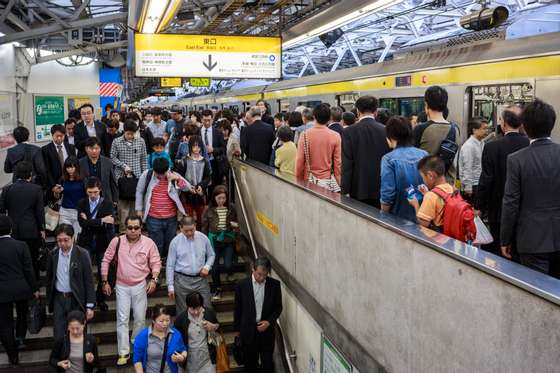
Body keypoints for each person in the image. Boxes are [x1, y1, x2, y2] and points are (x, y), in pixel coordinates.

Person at [500, 99, 560, 277]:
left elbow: (511, 203)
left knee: (538, 291)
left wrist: (505, 239)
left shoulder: (516, 160)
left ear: (524, 126)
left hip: (531, 239)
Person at [101, 215, 161, 366]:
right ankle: (123, 352)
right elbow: (106, 260)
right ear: (125, 228)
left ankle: (136, 340)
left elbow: (156, 262)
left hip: (140, 284)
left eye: (136, 228)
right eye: (130, 228)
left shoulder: (149, 243)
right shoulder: (117, 241)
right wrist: (104, 281)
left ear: (141, 228)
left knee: (140, 318)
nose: (133, 230)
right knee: (122, 319)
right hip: (121, 285)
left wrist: (154, 280)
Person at [476, 108, 529, 256]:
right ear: (521, 124)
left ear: (503, 124)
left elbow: (486, 179)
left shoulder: (492, 147)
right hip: (524, 211)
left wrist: (479, 206)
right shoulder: (529, 145)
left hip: (498, 209)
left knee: (498, 251)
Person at [136, 157, 193, 258]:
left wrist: (177, 179)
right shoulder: (147, 175)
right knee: (156, 244)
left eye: (163, 173)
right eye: (158, 173)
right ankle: (156, 264)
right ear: (154, 170)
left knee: (170, 243)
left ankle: (168, 264)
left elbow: (188, 188)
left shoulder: (174, 175)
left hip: (171, 218)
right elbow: (139, 191)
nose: (161, 176)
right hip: (153, 218)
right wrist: (139, 209)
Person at [0, 215, 38, 366]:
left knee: (5, 324)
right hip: (21, 288)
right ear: (11, 228)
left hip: (1, 291)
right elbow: (29, 269)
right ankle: (21, 337)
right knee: (22, 314)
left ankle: (13, 355)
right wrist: (34, 288)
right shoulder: (21, 245)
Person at [46, 224, 95, 340]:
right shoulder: (53, 255)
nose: (62, 243)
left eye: (65, 240)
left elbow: (89, 281)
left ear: (72, 238)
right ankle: (61, 357)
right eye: (59, 240)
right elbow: (49, 278)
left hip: (76, 298)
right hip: (59, 298)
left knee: (77, 333)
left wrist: (90, 305)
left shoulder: (82, 254)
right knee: (58, 334)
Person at [234, 257, 283, 373]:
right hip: (248, 331)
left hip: (266, 332)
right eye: (259, 274)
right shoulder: (242, 285)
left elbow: (278, 307)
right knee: (250, 365)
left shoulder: (275, 285)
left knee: (267, 364)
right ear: (253, 269)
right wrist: (237, 331)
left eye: (265, 275)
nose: (261, 278)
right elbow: (238, 309)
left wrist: (269, 322)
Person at [341, 96, 389, 207]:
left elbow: (347, 164)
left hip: (357, 189)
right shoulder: (385, 130)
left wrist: (344, 190)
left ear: (357, 111)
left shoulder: (348, 132)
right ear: (375, 112)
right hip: (380, 188)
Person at [0, 161, 45, 277]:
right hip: (31, 229)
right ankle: (34, 283)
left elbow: (1, 210)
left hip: (13, 230)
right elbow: (39, 212)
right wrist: (42, 229)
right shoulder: (36, 189)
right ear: (30, 174)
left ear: (16, 174)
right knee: (32, 258)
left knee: (16, 258)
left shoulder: (6, 190)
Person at [77, 177, 115, 312]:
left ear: (100, 190)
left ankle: (100, 299)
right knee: (85, 272)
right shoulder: (82, 203)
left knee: (103, 271)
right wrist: (100, 221)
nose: (92, 195)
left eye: (95, 192)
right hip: (86, 241)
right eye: (90, 192)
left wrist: (91, 222)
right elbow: (82, 224)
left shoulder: (108, 204)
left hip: (102, 242)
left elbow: (108, 224)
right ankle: (88, 300)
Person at [380, 116, 428, 222]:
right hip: (424, 216)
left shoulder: (388, 159)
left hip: (399, 216)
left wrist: (383, 215)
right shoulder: (424, 154)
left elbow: (387, 195)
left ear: (391, 136)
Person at [167, 216, 215, 315]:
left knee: (207, 308)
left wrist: (207, 267)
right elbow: (170, 265)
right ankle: (183, 331)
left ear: (195, 226)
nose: (189, 233)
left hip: (200, 279)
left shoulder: (203, 238)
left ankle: (208, 330)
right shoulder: (175, 242)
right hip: (182, 280)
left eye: (191, 230)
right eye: (186, 231)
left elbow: (211, 255)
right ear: (180, 228)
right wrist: (170, 286)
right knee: (183, 312)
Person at [413, 86, 460, 180]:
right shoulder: (455, 129)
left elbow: (413, 159)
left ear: (426, 105)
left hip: (426, 185)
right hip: (447, 185)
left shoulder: (420, 129)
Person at [110, 120, 148, 231]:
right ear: (124, 131)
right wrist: (123, 166)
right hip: (121, 178)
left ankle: (135, 229)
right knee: (123, 206)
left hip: (137, 178)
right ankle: (123, 230)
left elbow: (144, 159)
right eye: (128, 134)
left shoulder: (141, 141)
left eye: (133, 133)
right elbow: (112, 157)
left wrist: (144, 175)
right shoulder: (116, 141)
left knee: (135, 205)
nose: (131, 136)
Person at [202, 185, 237, 300]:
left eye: (224, 198)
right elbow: (204, 227)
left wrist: (235, 226)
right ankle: (217, 288)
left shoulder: (231, 208)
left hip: (227, 240)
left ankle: (230, 272)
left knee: (228, 265)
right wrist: (204, 242)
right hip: (214, 242)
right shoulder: (209, 210)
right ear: (214, 198)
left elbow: (238, 223)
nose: (221, 201)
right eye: (219, 198)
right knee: (214, 267)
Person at [295, 104, 342, 188]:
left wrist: (298, 179)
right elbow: (337, 164)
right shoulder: (336, 136)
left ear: (314, 116)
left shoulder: (304, 135)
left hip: (308, 179)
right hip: (327, 181)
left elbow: (300, 161)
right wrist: (339, 182)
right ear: (329, 118)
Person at [132, 304, 187, 373]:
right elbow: (137, 360)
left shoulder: (175, 334)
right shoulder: (143, 337)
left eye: (167, 320)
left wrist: (182, 357)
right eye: (161, 321)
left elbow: (183, 349)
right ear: (153, 320)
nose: (165, 324)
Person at [174, 291, 220, 373]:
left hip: (207, 357)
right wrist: (181, 355)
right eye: (192, 309)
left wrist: (213, 327)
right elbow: (177, 340)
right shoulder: (181, 319)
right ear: (187, 306)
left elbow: (218, 329)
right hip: (190, 359)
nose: (195, 312)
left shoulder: (209, 313)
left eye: (198, 308)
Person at [407, 155, 454, 230]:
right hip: (451, 234)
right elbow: (441, 201)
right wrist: (426, 193)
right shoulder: (452, 188)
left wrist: (415, 204)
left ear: (430, 176)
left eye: (423, 177)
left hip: (438, 238)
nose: (423, 180)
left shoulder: (431, 196)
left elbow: (424, 223)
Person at [175, 135, 211, 228]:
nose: (196, 149)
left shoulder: (205, 161)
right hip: (186, 195)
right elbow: (179, 178)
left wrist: (201, 186)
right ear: (190, 146)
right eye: (194, 146)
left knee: (201, 219)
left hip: (200, 194)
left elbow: (208, 177)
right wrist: (187, 188)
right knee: (188, 218)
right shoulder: (183, 161)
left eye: (199, 146)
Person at [78, 137, 119, 205]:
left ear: (100, 149)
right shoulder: (80, 163)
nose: (94, 151)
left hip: (105, 198)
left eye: (96, 148)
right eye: (91, 148)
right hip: (86, 199)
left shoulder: (107, 162)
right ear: (86, 149)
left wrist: (115, 199)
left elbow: (113, 182)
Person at [40, 124, 77, 194]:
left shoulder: (71, 147)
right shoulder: (46, 149)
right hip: (55, 183)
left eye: (61, 136)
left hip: (70, 181)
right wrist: (52, 186)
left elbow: (75, 164)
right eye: (57, 136)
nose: (59, 138)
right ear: (52, 135)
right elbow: (47, 170)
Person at [54, 156, 86, 237]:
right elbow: (57, 197)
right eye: (68, 167)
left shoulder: (83, 180)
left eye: (72, 167)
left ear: (77, 167)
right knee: (65, 236)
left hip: (78, 212)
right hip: (65, 211)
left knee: (77, 237)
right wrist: (56, 192)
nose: (70, 170)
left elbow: (87, 197)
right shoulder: (62, 179)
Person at [458, 119, 487, 203]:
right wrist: (468, 187)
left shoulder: (481, 143)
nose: (486, 131)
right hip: (472, 185)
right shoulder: (469, 146)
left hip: (479, 182)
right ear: (474, 130)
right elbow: (467, 168)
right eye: (484, 128)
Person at [201, 109, 227, 192]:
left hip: (214, 163)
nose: (207, 123)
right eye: (205, 120)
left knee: (214, 185)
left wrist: (213, 150)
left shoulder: (218, 132)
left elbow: (223, 148)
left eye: (209, 120)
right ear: (201, 119)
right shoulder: (197, 131)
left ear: (212, 119)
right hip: (200, 163)